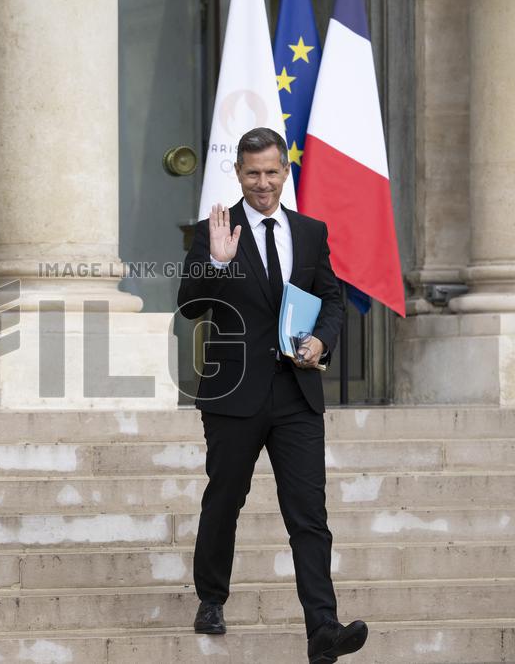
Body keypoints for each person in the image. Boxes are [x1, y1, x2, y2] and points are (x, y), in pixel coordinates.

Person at [177, 127, 367, 663]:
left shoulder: (310, 232)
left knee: (309, 513)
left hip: (296, 395)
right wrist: (216, 264)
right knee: (225, 499)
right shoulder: (213, 230)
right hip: (233, 394)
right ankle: (212, 598)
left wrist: (321, 340)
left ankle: (323, 629)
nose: (263, 183)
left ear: (286, 171)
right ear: (238, 174)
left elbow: (331, 298)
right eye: (252, 173)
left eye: (271, 172)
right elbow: (189, 305)